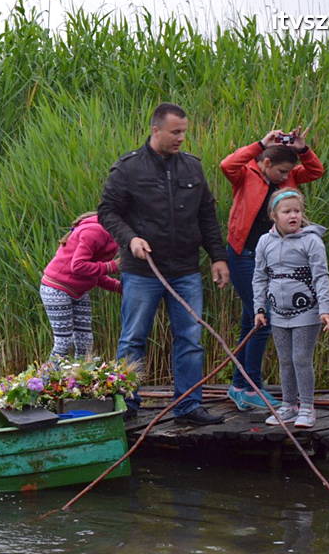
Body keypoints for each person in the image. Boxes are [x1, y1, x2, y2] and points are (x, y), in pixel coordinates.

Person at [98, 102, 230, 425]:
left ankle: (188, 406)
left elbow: (207, 216)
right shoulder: (128, 168)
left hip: (186, 269)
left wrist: (218, 257)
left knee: (191, 339)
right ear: (156, 130)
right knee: (133, 338)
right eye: (175, 132)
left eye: (183, 132)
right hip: (142, 271)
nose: (181, 138)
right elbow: (107, 212)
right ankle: (126, 404)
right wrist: (130, 239)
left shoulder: (192, 167)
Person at [221, 128, 325, 411]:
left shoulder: (289, 176)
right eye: (280, 171)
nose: (284, 176)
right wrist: (260, 144)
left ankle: (240, 386)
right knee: (262, 318)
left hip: (272, 259)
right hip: (244, 255)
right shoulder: (246, 174)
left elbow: (316, 171)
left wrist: (303, 150)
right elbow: (226, 165)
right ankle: (250, 385)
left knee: (250, 320)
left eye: (287, 172)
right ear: (266, 163)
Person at [252, 188, 329, 428]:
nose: (293, 215)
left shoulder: (311, 241)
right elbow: (259, 277)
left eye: (297, 211)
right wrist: (259, 308)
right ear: (274, 216)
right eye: (287, 212)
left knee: (301, 358)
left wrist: (325, 309)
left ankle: (307, 406)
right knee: (285, 360)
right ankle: (288, 405)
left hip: (306, 312)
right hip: (278, 313)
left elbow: (321, 276)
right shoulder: (264, 242)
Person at [40, 211, 122, 358]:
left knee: (85, 342)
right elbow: (78, 266)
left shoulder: (112, 235)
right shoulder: (95, 231)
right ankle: (48, 373)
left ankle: (80, 372)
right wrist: (112, 266)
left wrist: (118, 287)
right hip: (56, 288)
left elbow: (94, 273)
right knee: (64, 342)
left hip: (79, 291)